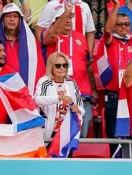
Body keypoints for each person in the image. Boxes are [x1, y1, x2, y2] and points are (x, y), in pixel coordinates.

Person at [41, 4, 97, 139]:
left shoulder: (81, 37)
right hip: (57, 95)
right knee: (57, 134)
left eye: (70, 17)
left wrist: (93, 89)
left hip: (81, 93)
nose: (67, 20)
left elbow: (87, 65)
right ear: (54, 21)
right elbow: (52, 34)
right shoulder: (50, 36)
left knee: (83, 130)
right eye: (63, 17)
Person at [100, 0, 132, 142]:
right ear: (115, 25)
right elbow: (107, 30)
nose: (123, 27)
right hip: (114, 96)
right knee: (114, 136)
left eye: (127, 24)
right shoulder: (110, 40)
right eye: (119, 24)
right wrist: (116, 7)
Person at [0, 3, 44, 95]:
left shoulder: (31, 43)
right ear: (2, 19)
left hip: (24, 92)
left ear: (20, 20)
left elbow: (38, 68)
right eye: (8, 16)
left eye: (15, 16)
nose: (12, 19)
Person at [34, 52, 84, 148]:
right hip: (49, 130)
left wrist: (78, 109)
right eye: (58, 65)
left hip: (67, 130)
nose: (62, 68)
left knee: (66, 161)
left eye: (65, 65)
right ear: (51, 67)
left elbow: (81, 107)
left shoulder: (72, 83)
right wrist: (58, 98)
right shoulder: (44, 82)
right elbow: (38, 100)